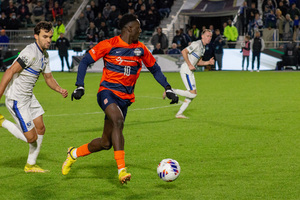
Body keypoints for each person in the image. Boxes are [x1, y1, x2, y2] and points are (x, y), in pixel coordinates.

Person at [61, 14, 178, 184]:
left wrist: (168, 88)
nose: (140, 30)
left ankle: (73, 154)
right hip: (107, 92)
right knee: (118, 122)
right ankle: (121, 170)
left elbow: (155, 69)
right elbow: (85, 61)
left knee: (105, 143)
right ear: (129, 29)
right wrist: (80, 85)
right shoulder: (109, 45)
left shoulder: (141, 49)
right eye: (138, 28)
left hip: (125, 99)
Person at [0, 21, 68, 173]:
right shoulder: (30, 52)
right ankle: (2, 121)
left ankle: (30, 165)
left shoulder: (44, 55)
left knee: (41, 128)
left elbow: (49, 78)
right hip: (17, 99)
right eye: (45, 37)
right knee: (31, 138)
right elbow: (9, 72)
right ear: (36, 36)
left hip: (29, 96)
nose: (49, 40)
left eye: (50, 37)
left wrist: (59, 89)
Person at [167, 29, 215, 119]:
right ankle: (171, 90)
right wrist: (189, 65)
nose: (209, 38)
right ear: (202, 36)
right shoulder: (196, 44)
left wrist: (208, 62)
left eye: (210, 36)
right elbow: (184, 51)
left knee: (192, 95)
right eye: (207, 36)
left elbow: (198, 62)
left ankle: (179, 113)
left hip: (190, 71)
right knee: (193, 93)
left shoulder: (203, 48)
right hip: (186, 70)